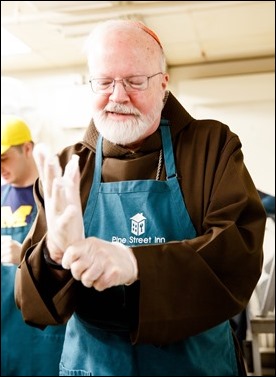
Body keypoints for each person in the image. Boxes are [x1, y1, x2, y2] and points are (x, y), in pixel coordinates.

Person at [15, 20, 266, 376]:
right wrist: (54, 256)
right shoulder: (67, 167)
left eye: (134, 81)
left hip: (195, 365)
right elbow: (32, 304)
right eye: (104, 82)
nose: (118, 96)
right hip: (95, 367)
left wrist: (135, 264)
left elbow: (238, 255)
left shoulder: (213, 147)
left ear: (163, 85)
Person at [1, 114, 66, 376]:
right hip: (5, 326)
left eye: (4, 158)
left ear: (27, 149)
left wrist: (26, 256)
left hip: (42, 333)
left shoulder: (55, 195)